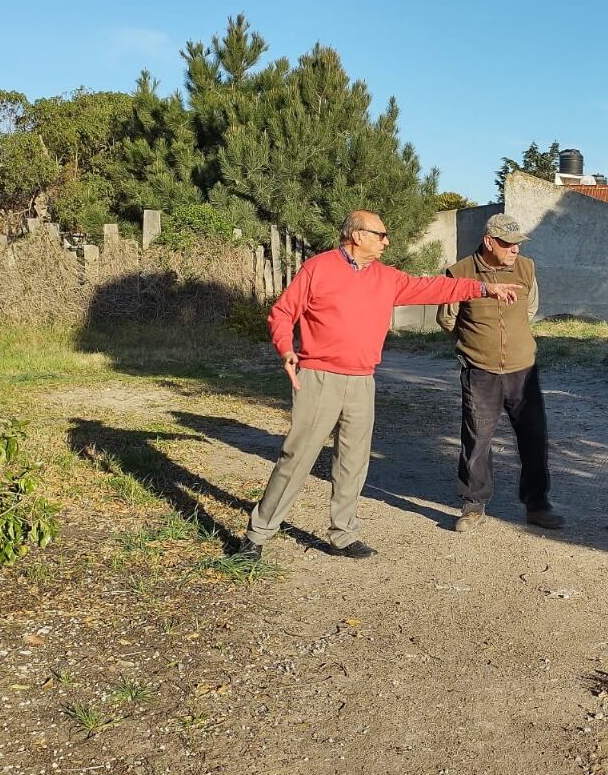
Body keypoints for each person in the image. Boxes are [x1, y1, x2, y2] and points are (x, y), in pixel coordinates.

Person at [236, 210, 523, 561]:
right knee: (297, 457)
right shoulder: (318, 268)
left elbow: (432, 287)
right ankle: (257, 535)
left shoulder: (385, 277)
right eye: (380, 234)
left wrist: (483, 287)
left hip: (362, 381)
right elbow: (282, 312)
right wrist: (286, 349)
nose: (387, 241)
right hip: (319, 377)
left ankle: (342, 535)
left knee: (353, 462)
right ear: (357, 236)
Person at [436, 214, 563, 532]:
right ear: (489, 241)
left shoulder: (526, 268)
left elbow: (530, 308)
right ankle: (473, 506)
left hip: (523, 369)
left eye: (518, 242)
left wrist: (514, 339)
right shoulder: (460, 273)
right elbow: (447, 319)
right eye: (508, 243)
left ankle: (537, 505)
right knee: (477, 439)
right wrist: (474, 345)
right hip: (480, 370)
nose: (515, 249)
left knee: (534, 437)